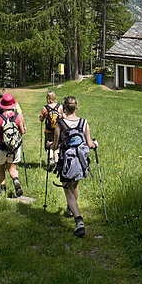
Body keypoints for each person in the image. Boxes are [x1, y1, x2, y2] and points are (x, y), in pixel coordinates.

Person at [50, 95, 97, 238]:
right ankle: (72, 210)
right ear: (76, 107)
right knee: (74, 185)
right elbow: (89, 144)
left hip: (66, 161)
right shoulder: (84, 123)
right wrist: (95, 144)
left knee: (67, 189)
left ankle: (79, 221)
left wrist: (50, 146)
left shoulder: (60, 124)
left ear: (63, 108)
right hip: (80, 161)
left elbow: (56, 145)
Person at [0, 93, 26, 196]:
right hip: (14, 147)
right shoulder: (17, 117)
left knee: (1, 167)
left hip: (1, 147)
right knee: (12, 168)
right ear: (12, 105)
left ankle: (3, 189)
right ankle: (16, 180)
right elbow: (23, 131)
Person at [39, 90, 64, 169]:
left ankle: (50, 160)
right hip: (58, 130)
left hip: (48, 131)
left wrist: (41, 117)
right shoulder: (60, 107)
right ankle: (56, 162)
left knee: (49, 146)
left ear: (47, 98)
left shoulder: (45, 108)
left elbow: (41, 120)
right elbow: (64, 117)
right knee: (57, 147)